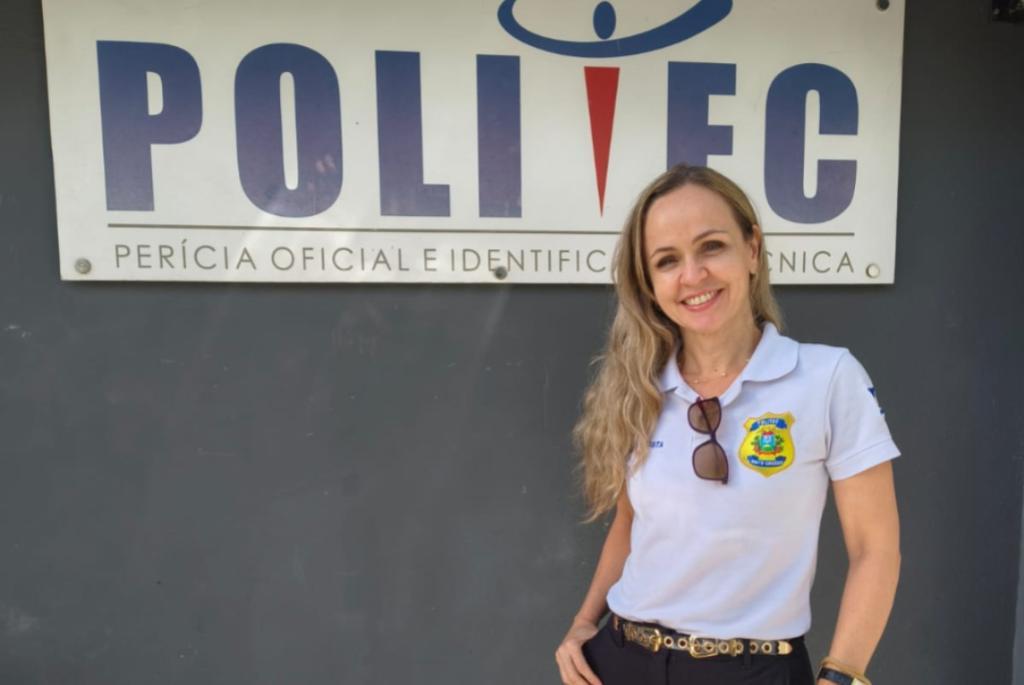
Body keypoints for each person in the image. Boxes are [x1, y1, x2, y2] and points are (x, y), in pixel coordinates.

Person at [554, 165, 901, 685]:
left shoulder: (827, 377)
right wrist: (583, 622)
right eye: (667, 260)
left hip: (754, 668)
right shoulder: (640, 386)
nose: (693, 275)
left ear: (752, 250)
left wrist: (841, 677)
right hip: (622, 659)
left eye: (711, 247)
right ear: (649, 284)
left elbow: (875, 548)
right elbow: (630, 525)